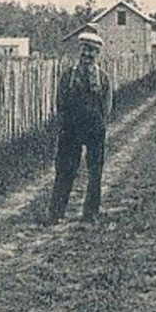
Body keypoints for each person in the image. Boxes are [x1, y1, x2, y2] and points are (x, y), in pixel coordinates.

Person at [48, 29, 115, 224]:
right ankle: (56, 213)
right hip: (71, 128)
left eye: (92, 51)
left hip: (94, 128)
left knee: (95, 171)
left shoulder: (103, 79)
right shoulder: (68, 76)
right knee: (65, 169)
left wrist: (98, 122)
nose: (87, 55)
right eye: (85, 50)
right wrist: (64, 123)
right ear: (80, 51)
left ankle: (90, 213)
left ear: (97, 54)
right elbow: (60, 102)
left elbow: (107, 106)